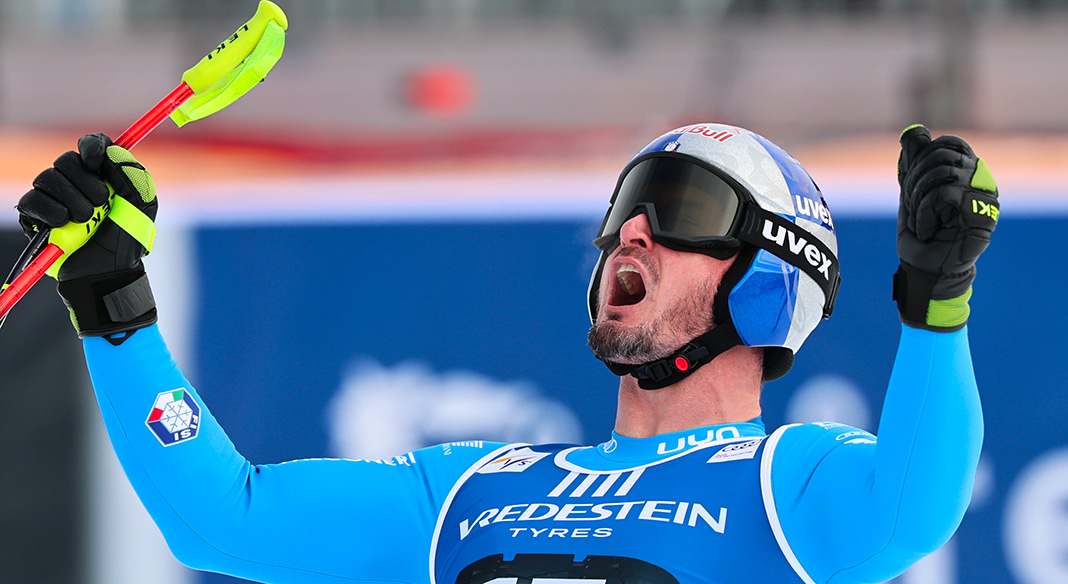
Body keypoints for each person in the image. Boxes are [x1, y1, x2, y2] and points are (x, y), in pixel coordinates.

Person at [15, 122, 997, 584]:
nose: (633, 231)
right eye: (626, 209)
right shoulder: (469, 487)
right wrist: (113, 301)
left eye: (682, 210)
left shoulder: (790, 482)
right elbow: (221, 519)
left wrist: (937, 303)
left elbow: (913, 507)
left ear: (770, 278)